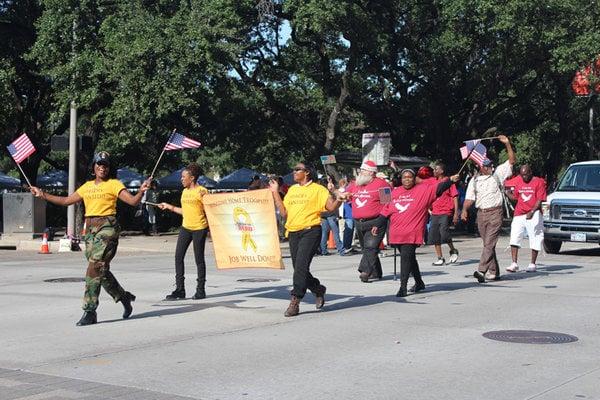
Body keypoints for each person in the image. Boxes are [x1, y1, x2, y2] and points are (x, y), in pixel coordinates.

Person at [30, 151, 149, 326]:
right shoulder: (86, 186)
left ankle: (90, 311)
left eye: (105, 165)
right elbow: (66, 201)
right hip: (90, 229)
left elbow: (132, 201)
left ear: (109, 169)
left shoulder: (114, 184)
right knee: (100, 270)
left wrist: (140, 191)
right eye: (99, 164)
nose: (102, 167)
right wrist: (43, 194)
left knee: (93, 268)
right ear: (93, 167)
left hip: (107, 227)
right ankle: (124, 297)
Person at [269, 162, 347, 317]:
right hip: (293, 232)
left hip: (311, 231)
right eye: (294, 170)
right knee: (299, 268)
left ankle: (295, 300)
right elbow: (284, 213)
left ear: (307, 173)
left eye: (297, 170)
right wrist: (275, 192)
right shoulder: (292, 189)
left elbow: (331, 207)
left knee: (300, 267)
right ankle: (317, 288)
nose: (294, 172)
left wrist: (339, 199)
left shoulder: (318, 189)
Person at [377, 169, 460, 297]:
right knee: (409, 258)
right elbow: (385, 209)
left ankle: (403, 287)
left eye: (410, 177)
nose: (407, 179)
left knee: (405, 258)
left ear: (414, 178)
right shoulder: (395, 191)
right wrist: (377, 225)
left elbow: (439, 187)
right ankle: (419, 282)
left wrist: (450, 180)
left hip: (412, 232)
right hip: (396, 232)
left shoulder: (423, 190)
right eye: (404, 177)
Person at [461, 135, 516, 283]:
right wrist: (464, 210)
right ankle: (494, 271)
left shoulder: (497, 174)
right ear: (481, 167)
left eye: (490, 165)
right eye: (486, 166)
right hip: (481, 213)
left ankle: (481, 270)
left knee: (490, 243)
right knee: (487, 244)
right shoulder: (475, 180)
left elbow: (511, 161)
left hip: (495, 212)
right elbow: (469, 198)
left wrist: (507, 144)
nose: (489, 167)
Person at [158, 163, 210, 300]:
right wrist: (169, 206)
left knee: (199, 259)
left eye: (183, 177)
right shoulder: (185, 191)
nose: (181, 179)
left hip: (199, 228)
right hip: (186, 227)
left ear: (192, 178)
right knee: (178, 257)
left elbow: (210, 211)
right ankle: (180, 290)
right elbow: (185, 212)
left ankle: (200, 290)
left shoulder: (202, 191)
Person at [346, 160, 391, 282]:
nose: (361, 171)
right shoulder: (355, 184)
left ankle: (365, 271)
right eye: (361, 169)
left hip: (376, 221)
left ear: (372, 173)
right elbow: (345, 196)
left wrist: (382, 219)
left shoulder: (382, 184)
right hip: (359, 222)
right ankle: (376, 272)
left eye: (364, 170)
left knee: (371, 247)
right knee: (367, 248)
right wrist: (334, 190)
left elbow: (388, 203)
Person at [505, 164, 546, 273]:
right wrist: (508, 193)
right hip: (519, 213)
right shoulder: (519, 181)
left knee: (535, 237)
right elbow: (516, 197)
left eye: (526, 175)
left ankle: (532, 263)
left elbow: (540, 199)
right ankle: (514, 263)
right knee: (514, 236)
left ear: (530, 172)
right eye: (522, 175)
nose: (524, 177)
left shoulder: (538, 182)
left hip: (534, 212)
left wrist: (532, 211)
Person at [428, 162, 460, 265]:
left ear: (441, 171)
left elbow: (455, 197)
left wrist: (456, 213)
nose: (434, 171)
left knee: (444, 233)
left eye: (436, 169)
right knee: (434, 235)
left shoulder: (448, 181)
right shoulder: (433, 182)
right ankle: (440, 257)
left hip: (446, 211)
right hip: (435, 212)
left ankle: (453, 250)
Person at [319, 177, 344, 256]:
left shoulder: (320, 191)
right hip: (331, 213)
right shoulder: (329, 191)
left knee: (324, 233)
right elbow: (338, 196)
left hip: (323, 213)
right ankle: (341, 249)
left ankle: (323, 250)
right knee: (335, 232)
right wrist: (332, 188)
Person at [338, 178, 355, 253]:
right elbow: (345, 200)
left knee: (350, 231)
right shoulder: (347, 190)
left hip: (351, 214)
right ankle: (346, 246)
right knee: (348, 230)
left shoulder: (348, 189)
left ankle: (348, 246)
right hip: (349, 214)